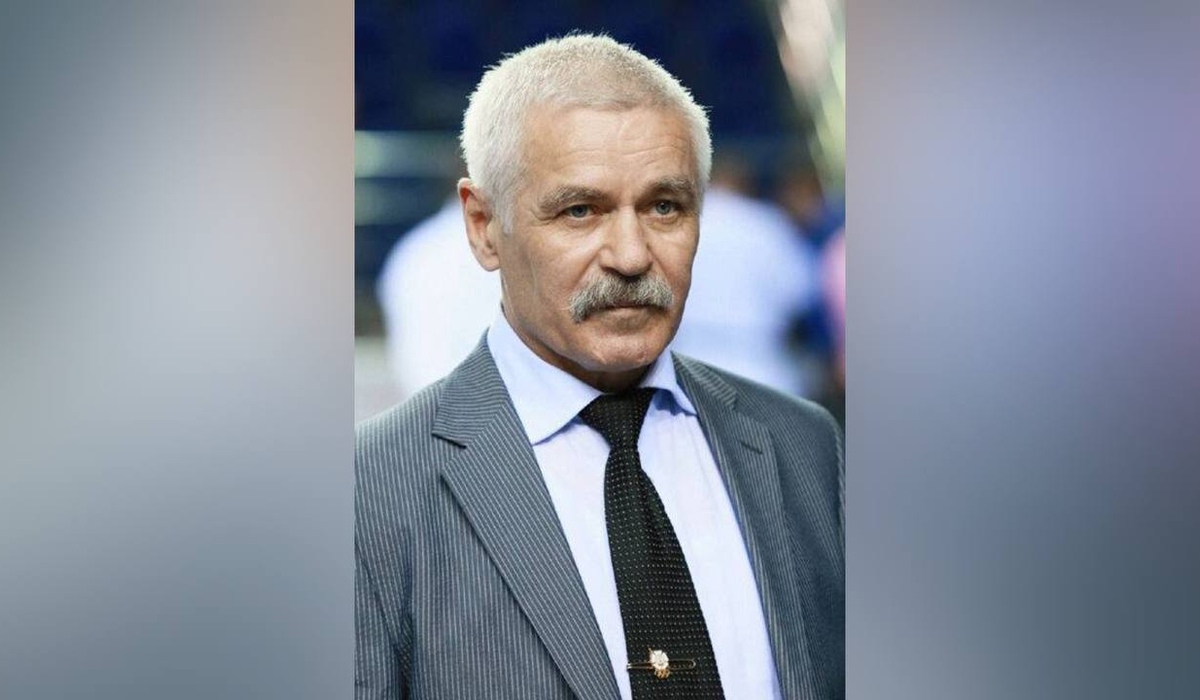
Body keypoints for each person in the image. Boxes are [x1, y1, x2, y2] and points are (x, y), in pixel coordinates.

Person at [356, 34, 843, 700]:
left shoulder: (804, 446)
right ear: (483, 226)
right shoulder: (369, 495)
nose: (631, 255)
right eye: (580, 211)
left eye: (664, 207)